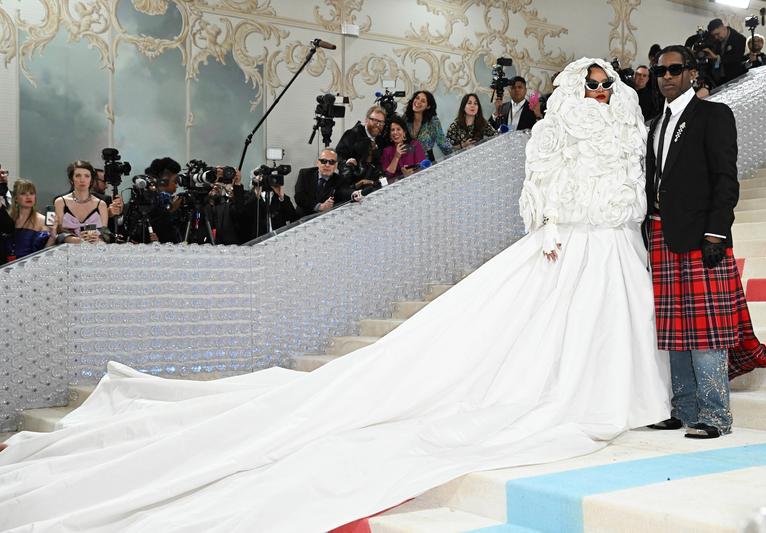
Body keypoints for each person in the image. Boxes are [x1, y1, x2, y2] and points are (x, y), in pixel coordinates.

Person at [0, 58, 671, 532]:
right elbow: (544, 177)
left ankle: (623, 389)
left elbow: (632, 187)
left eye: (602, 84)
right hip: (568, 241)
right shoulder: (560, 126)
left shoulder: (624, 128)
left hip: (615, 242)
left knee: (610, 323)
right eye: (589, 83)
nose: (598, 92)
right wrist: (548, 222)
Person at [644, 45, 766, 440]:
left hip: (702, 235)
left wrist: (716, 233)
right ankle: (683, 409)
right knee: (672, 329)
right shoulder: (655, 123)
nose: (667, 76)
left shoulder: (714, 114)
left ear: (692, 72)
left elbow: (726, 178)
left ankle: (716, 416)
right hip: (660, 233)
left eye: (675, 69)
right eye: (661, 71)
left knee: (706, 330)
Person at [54, 161, 109, 244]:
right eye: (78, 176)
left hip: (94, 249)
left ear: (91, 180)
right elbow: (58, 232)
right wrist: (77, 240)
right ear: (71, 179)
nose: (82, 179)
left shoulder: (101, 204)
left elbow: (105, 234)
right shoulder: (60, 202)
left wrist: (97, 239)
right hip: (67, 249)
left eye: (87, 176)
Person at [3, 179, 56, 262]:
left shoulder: (42, 220)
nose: (28, 197)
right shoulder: (7, 219)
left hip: (32, 266)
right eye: (23, 193)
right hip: (4, 265)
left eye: (31, 193)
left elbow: (45, 253)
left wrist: (53, 235)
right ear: (16, 198)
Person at [294, 149, 352, 217]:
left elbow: (345, 192)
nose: (327, 165)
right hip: (302, 219)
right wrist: (319, 206)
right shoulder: (305, 174)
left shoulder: (340, 180)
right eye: (323, 161)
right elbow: (299, 197)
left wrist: (354, 193)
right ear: (318, 163)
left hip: (326, 219)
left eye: (331, 162)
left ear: (336, 165)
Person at [335, 105, 389, 174]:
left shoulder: (381, 139)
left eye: (381, 122)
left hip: (373, 179)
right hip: (353, 179)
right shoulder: (352, 134)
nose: (378, 125)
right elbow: (338, 156)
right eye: (375, 121)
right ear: (366, 120)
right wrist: (347, 164)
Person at [403, 90, 452, 161]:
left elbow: (443, 143)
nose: (418, 102)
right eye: (417, 98)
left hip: (426, 163)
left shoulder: (433, 122)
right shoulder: (405, 118)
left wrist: (458, 154)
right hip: (407, 162)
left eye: (423, 101)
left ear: (428, 106)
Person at [380, 116, 425, 181]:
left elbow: (423, 166)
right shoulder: (387, 151)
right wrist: (396, 156)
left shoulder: (414, 145)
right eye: (392, 130)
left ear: (404, 132)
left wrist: (411, 174)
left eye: (398, 129)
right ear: (390, 135)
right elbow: (387, 176)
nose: (395, 132)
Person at [704, 18, 746, 85]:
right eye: (714, 35)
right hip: (718, 80)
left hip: (734, 79)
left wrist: (717, 57)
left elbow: (736, 57)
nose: (716, 37)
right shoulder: (715, 41)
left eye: (717, 34)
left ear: (722, 27)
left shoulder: (739, 39)